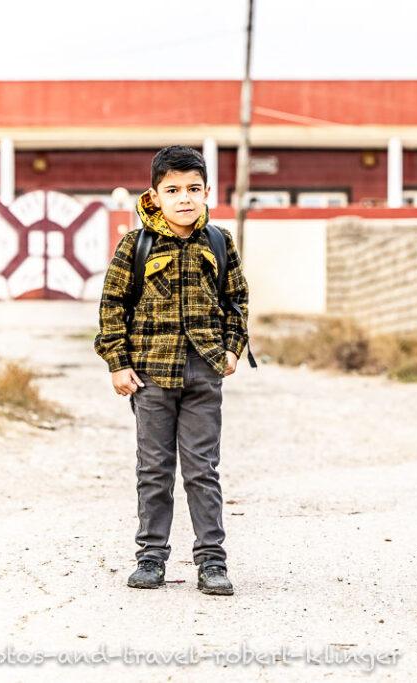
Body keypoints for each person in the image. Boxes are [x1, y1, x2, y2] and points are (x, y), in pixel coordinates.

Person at [95, 146, 249, 596]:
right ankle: (150, 557)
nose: (184, 198)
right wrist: (117, 363)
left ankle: (212, 562)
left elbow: (235, 300)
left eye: (193, 189)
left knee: (203, 470)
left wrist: (232, 349)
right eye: (173, 190)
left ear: (206, 192)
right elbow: (113, 305)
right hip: (150, 376)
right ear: (155, 194)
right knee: (154, 469)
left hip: (204, 371)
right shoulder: (136, 244)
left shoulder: (219, 242)